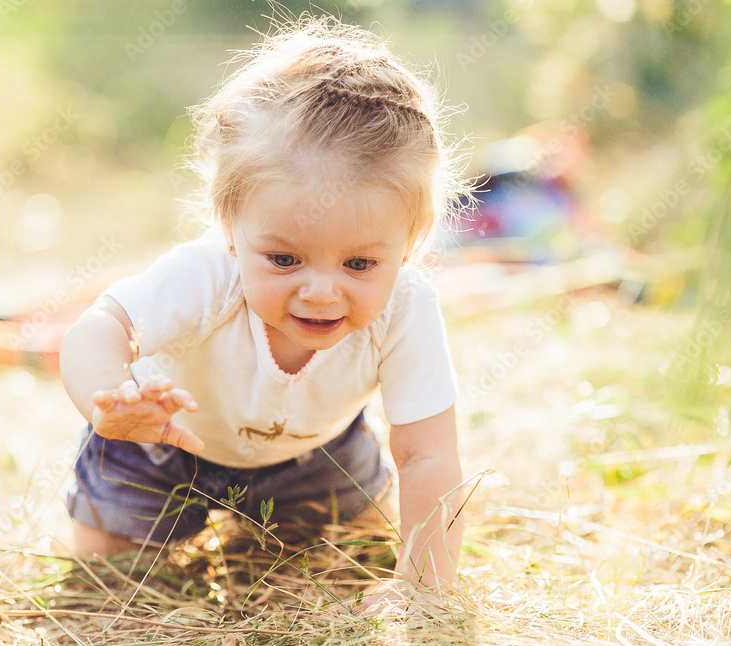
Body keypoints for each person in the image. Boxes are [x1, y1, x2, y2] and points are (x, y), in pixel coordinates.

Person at [59, 17, 469, 602]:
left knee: (350, 549)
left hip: (315, 452)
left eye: (359, 265)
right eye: (283, 259)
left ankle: (312, 514)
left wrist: (429, 591)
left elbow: (429, 453)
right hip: (163, 446)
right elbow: (100, 327)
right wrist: (110, 400)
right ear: (229, 227)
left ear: (412, 242)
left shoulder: (406, 307)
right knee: (108, 577)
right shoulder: (206, 274)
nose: (322, 292)